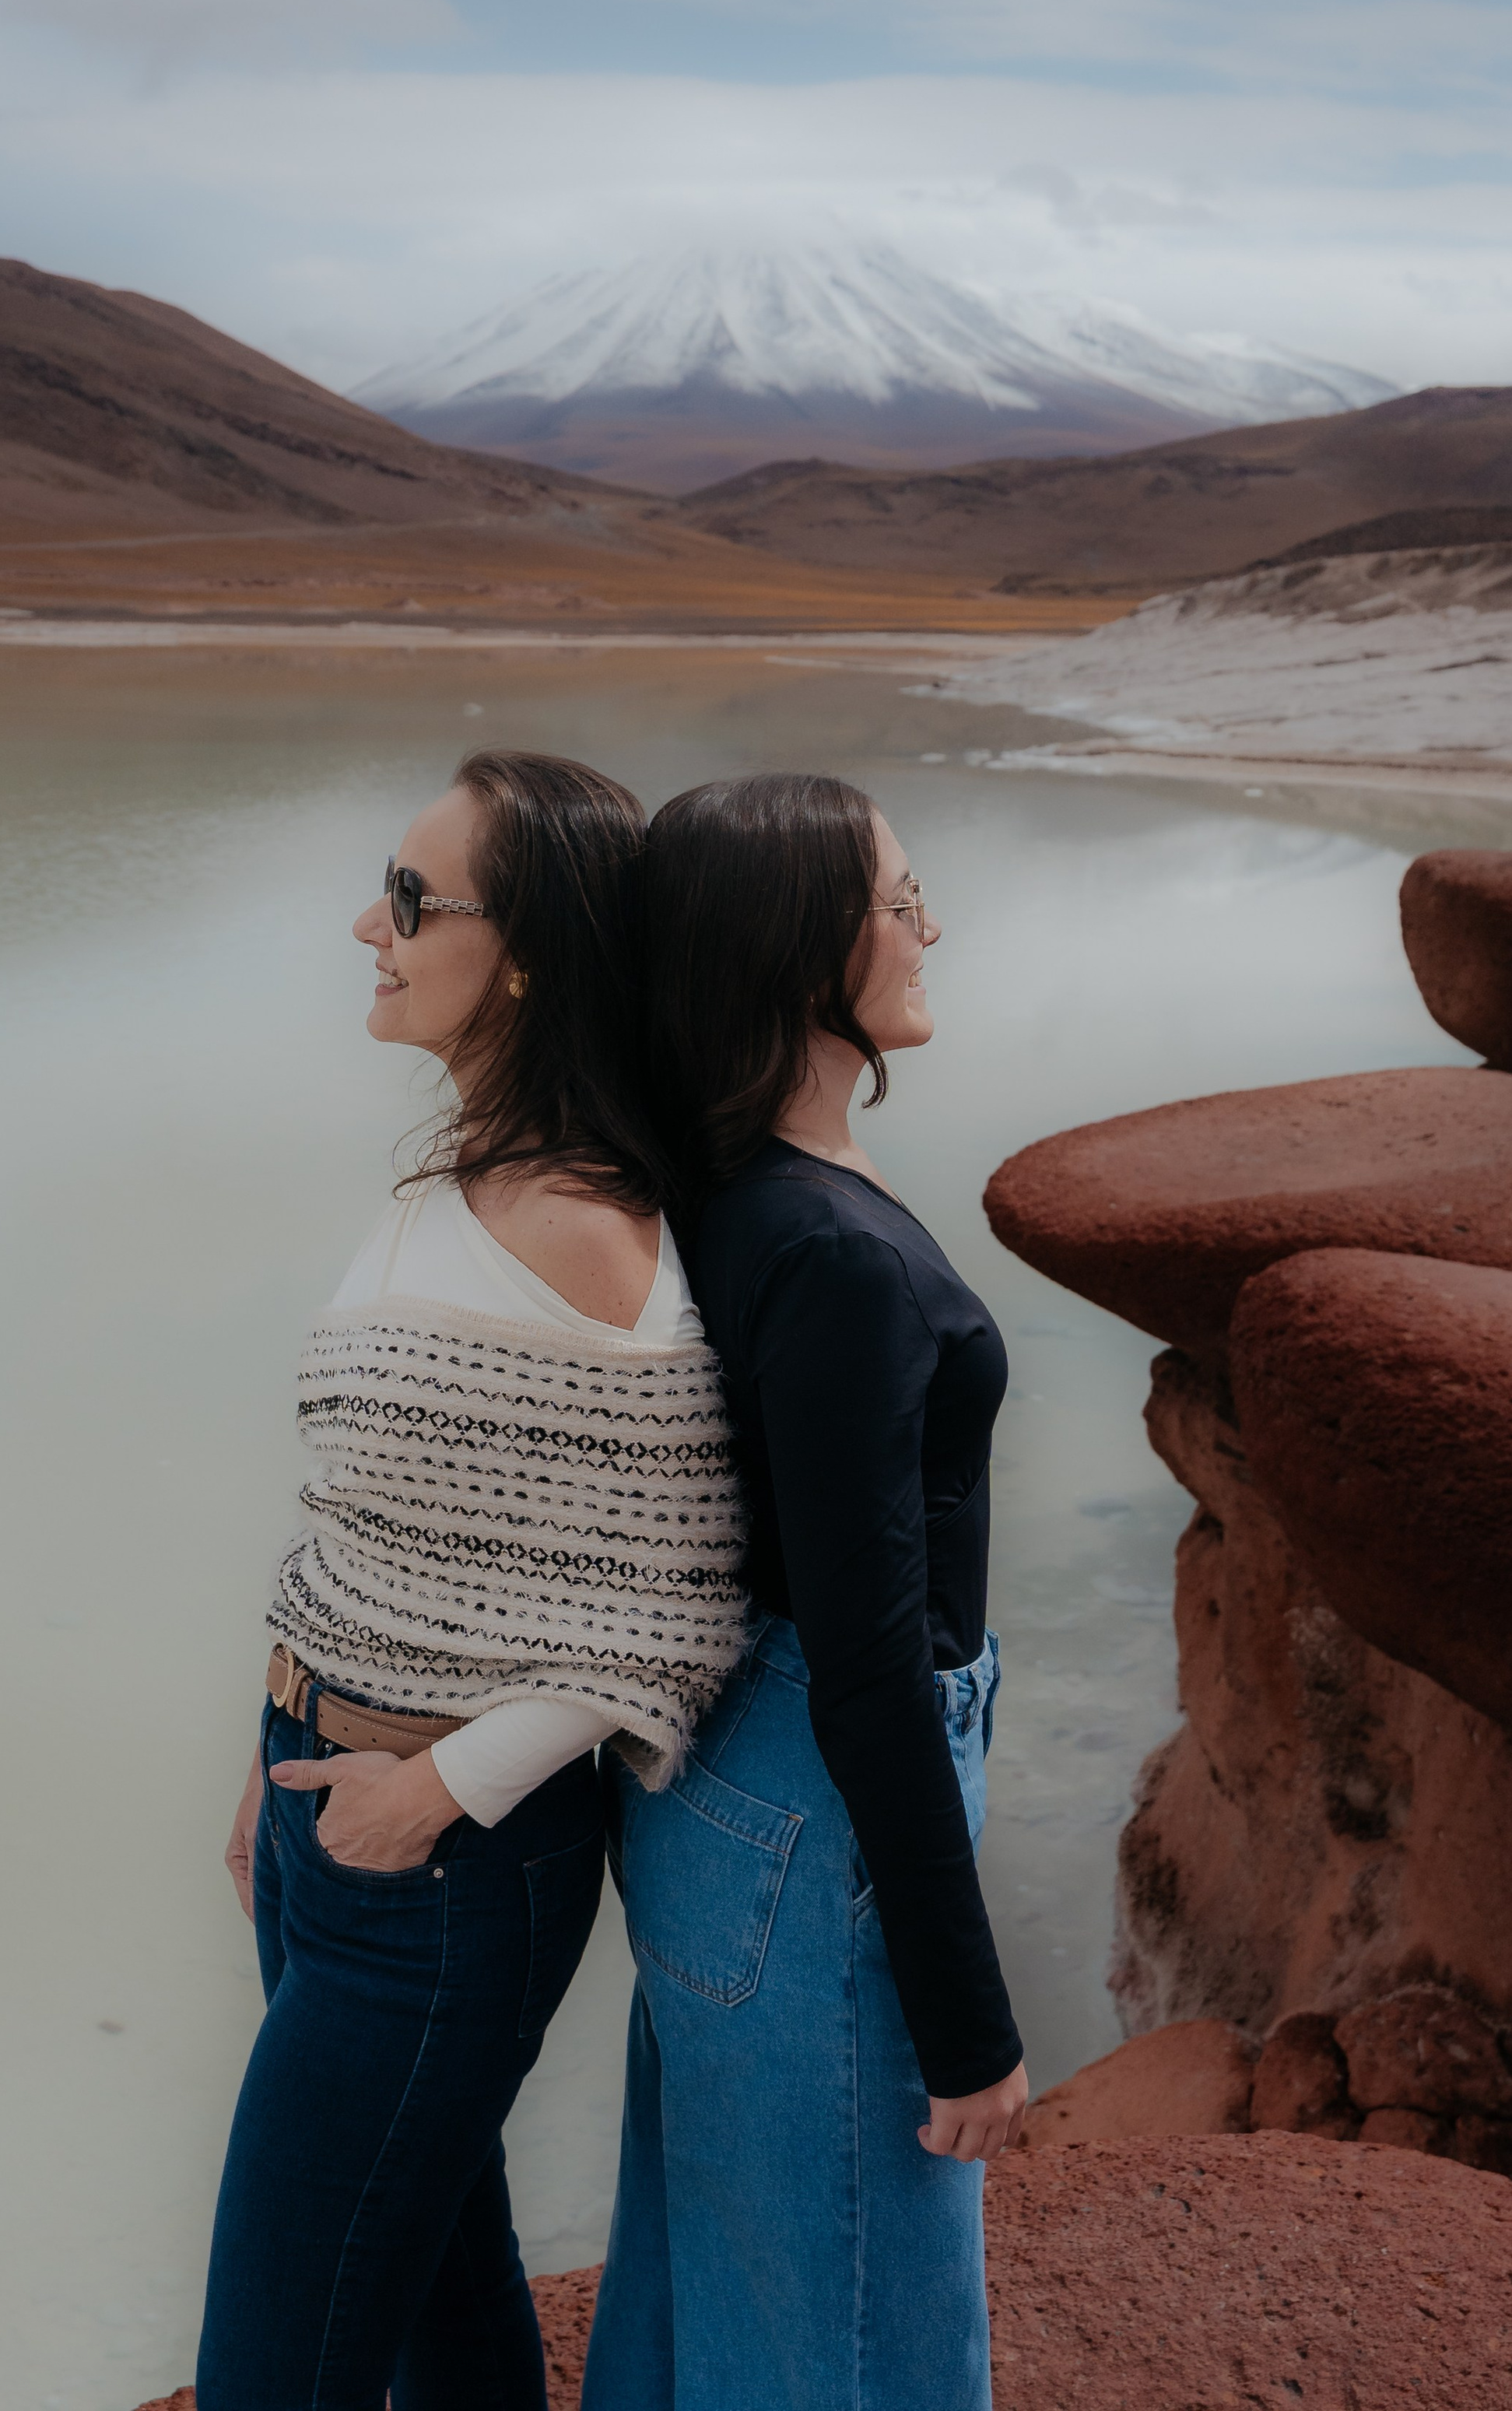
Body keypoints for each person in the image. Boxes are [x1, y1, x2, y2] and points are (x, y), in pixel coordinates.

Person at [196, 749, 748, 2411]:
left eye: (414, 898)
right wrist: (270, 1776)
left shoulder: (588, 1225)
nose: (370, 921)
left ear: (527, 954)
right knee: (439, 2292)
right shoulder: (447, 1174)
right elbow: (360, 1523)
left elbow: (676, 1601)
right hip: (331, 1815)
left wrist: (430, 1788)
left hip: (441, 1867)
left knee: (272, 2370)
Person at [582, 771, 1026, 2411]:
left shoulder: (705, 1191)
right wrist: (966, 2013)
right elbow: (865, 1663)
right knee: (850, 2330)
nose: (925, 926)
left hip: (718, 1795)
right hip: (816, 1797)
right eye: (896, 898)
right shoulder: (828, 1251)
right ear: (790, 946)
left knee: (715, 2280)